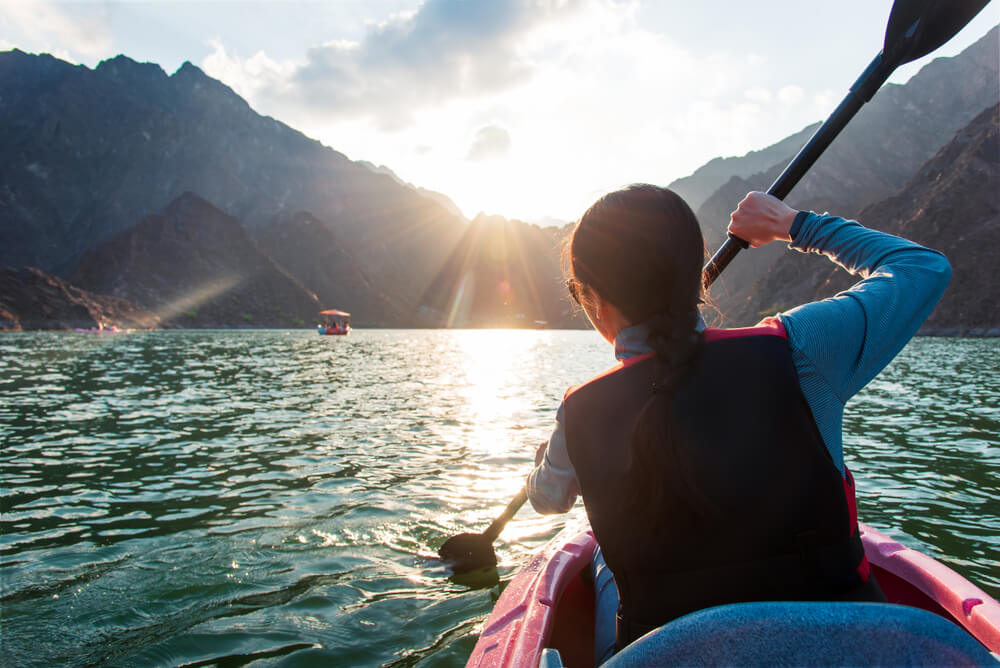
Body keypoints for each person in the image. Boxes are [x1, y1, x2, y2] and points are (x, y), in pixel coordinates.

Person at [525, 185, 951, 664]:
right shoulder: (799, 348)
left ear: (593, 299)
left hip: (667, 655)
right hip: (848, 646)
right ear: (695, 279)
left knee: (601, 552)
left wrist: (548, 458)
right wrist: (794, 225)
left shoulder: (580, 409)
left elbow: (545, 498)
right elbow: (923, 267)